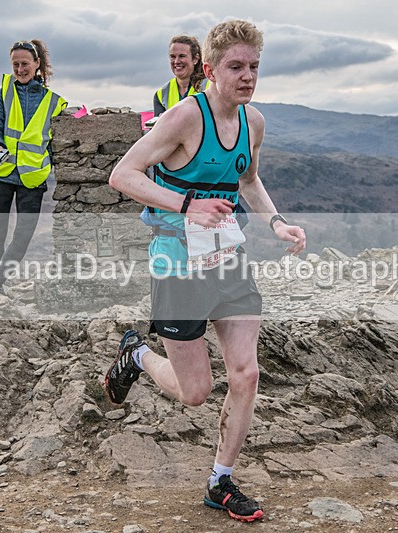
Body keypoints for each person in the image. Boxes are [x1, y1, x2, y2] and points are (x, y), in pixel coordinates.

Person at [105, 20, 306, 523]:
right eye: (236, 67)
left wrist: (277, 223)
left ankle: (221, 482)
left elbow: (249, 179)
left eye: (254, 67)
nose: (248, 77)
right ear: (210, 69)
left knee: (246, 373)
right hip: (176, 262)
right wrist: (186, 202)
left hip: (229, 259)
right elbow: (122, 175)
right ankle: (136, 354)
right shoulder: (182, 119)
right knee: (194, 393)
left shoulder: (253, 122)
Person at [0, 39, 67, 306]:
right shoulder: (2, 93)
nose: (19, 69)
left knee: (23, 235)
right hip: (0, 173)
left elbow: (59, 138)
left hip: (32, 177)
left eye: (25, 64)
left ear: (37, 64)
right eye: (15, 64)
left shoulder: (53, 102)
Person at [152, 35, 210, 117]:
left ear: (195, 59)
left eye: (182, 56)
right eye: (172, 57)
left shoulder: (210, 86)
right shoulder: (161, 94)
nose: (176, 61)